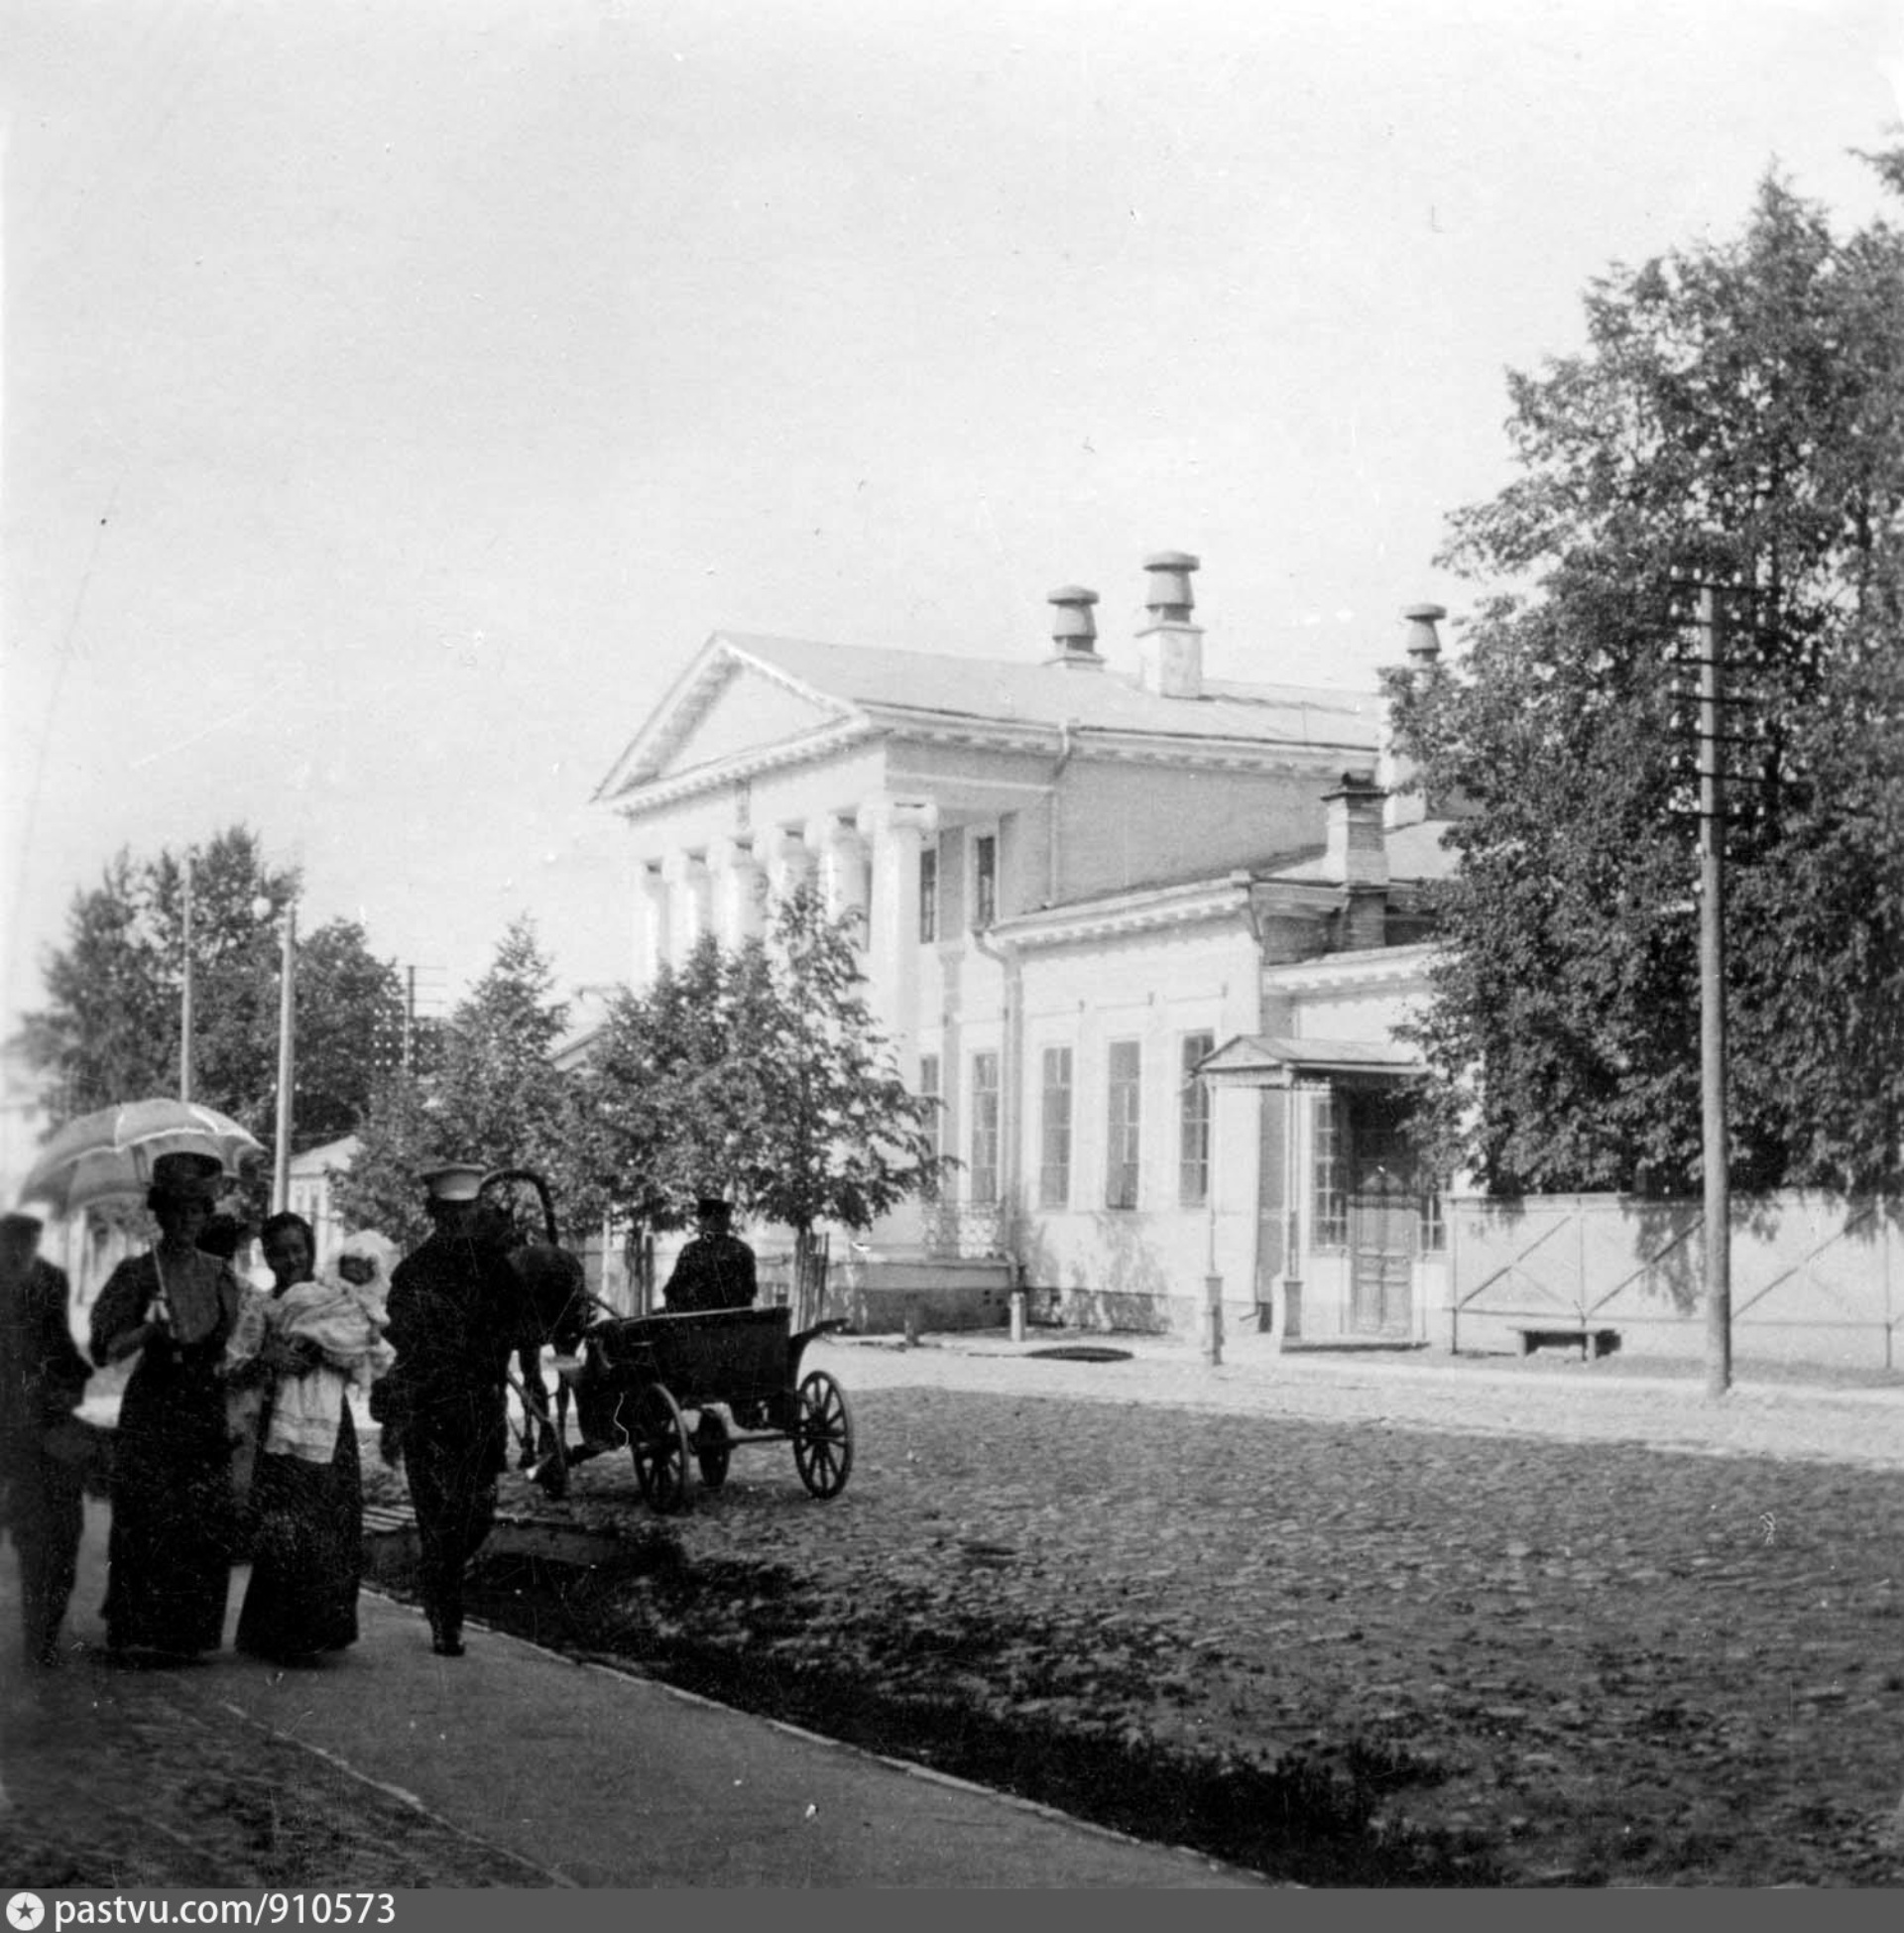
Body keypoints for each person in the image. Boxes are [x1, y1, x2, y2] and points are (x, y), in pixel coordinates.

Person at [88, 1150, 246, 1661]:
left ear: (206, 1215)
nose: (186, 1220)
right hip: (154, 1407)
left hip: (202, 1408)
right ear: (159, 1213)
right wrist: (148, 1330)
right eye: (176, 1210)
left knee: (199, 1518)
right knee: (149, 1516)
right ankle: (139, 1628)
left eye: (196, 1211)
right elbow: (106, 1350)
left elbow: (233, 1342)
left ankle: (188, 1633)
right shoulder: (137, 1273)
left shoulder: (221, 1273)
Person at [383, 1162, 530, 1657]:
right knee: (436, 1511)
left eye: (466, 1212)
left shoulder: (497, 1267)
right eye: (448, 1213)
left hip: (481, 1407)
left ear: (475, 1212)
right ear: (433, 1214)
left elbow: (517, 1329)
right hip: (428, 1407)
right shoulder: (412, 1272)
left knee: (478, 1513)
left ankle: (435, 1574)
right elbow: (399, 1336)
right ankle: (447, 1618)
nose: (458, 1222)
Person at [231, 1217, 393, 1664]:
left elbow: (364, 1346)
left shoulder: (335, 1293)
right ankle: (278, 1633)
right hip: (280, 1427)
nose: (291, 1260)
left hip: (328, 1422)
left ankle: (322, 1629)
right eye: (280, 1252)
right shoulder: (263, 1306)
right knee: (285, 1524)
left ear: (311, 1248)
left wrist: (336, 1349)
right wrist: (270, 1358)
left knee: (332, 1519)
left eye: (298, 1249)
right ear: (267, 1256)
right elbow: (233, 1365)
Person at [1, 1211, 91, 1668]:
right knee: (32, 1533)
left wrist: (77, 1379)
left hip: (51, 1426)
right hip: (10, 1427)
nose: (21, 1253)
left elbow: (61, 1345)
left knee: (60, 1535)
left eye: (29, 1244)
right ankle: (39, 1632)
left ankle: (45, 1630)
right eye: (13, 1245)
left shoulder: (51, 1281)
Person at [661, 1197, 759, 1313]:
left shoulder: (693, 1251)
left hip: (701, 1321)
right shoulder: (742, 1249)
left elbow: (673, 1292)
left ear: (710, 1220)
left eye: (702, 1220)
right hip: (734, 1321)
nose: (700, 1225)